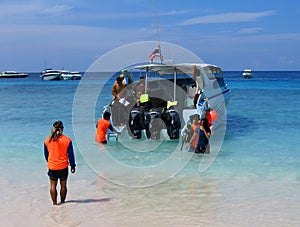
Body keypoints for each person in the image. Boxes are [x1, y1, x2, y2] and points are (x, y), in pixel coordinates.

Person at [44, 121, 76, 205]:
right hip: (63, 167)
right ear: (62, 129)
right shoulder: (67, 140)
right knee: (63, 186)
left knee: (52, 186)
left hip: (52, 167)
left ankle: (55, 204)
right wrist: (73, 165)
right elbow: (71, 155)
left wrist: (50, 162)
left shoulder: (47, 140)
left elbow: (46, 154)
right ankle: (63, 202)